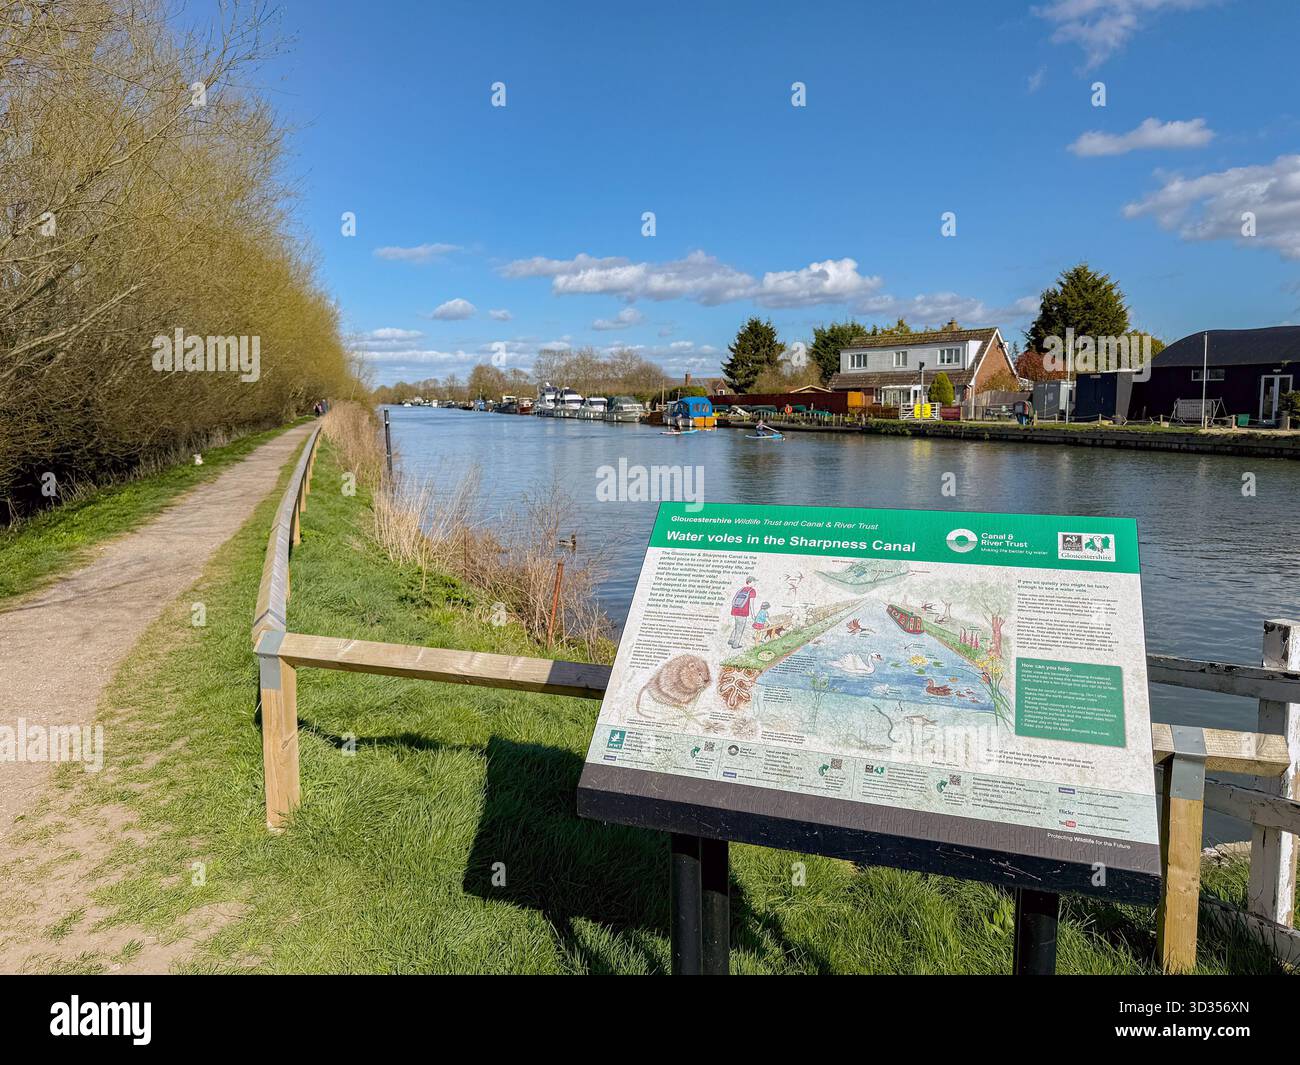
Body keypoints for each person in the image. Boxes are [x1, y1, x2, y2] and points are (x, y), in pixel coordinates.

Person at [728, 577, 757, 647]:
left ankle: (731, 640)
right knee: (740, 629)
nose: (755, 583)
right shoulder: (752, 591)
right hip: (742, 612)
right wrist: (753, 615)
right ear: (749, 582)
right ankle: (735, 644)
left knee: (737, 626)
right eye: (754, 581)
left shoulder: (741, 589)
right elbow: (751, 604)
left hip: (735, 610)